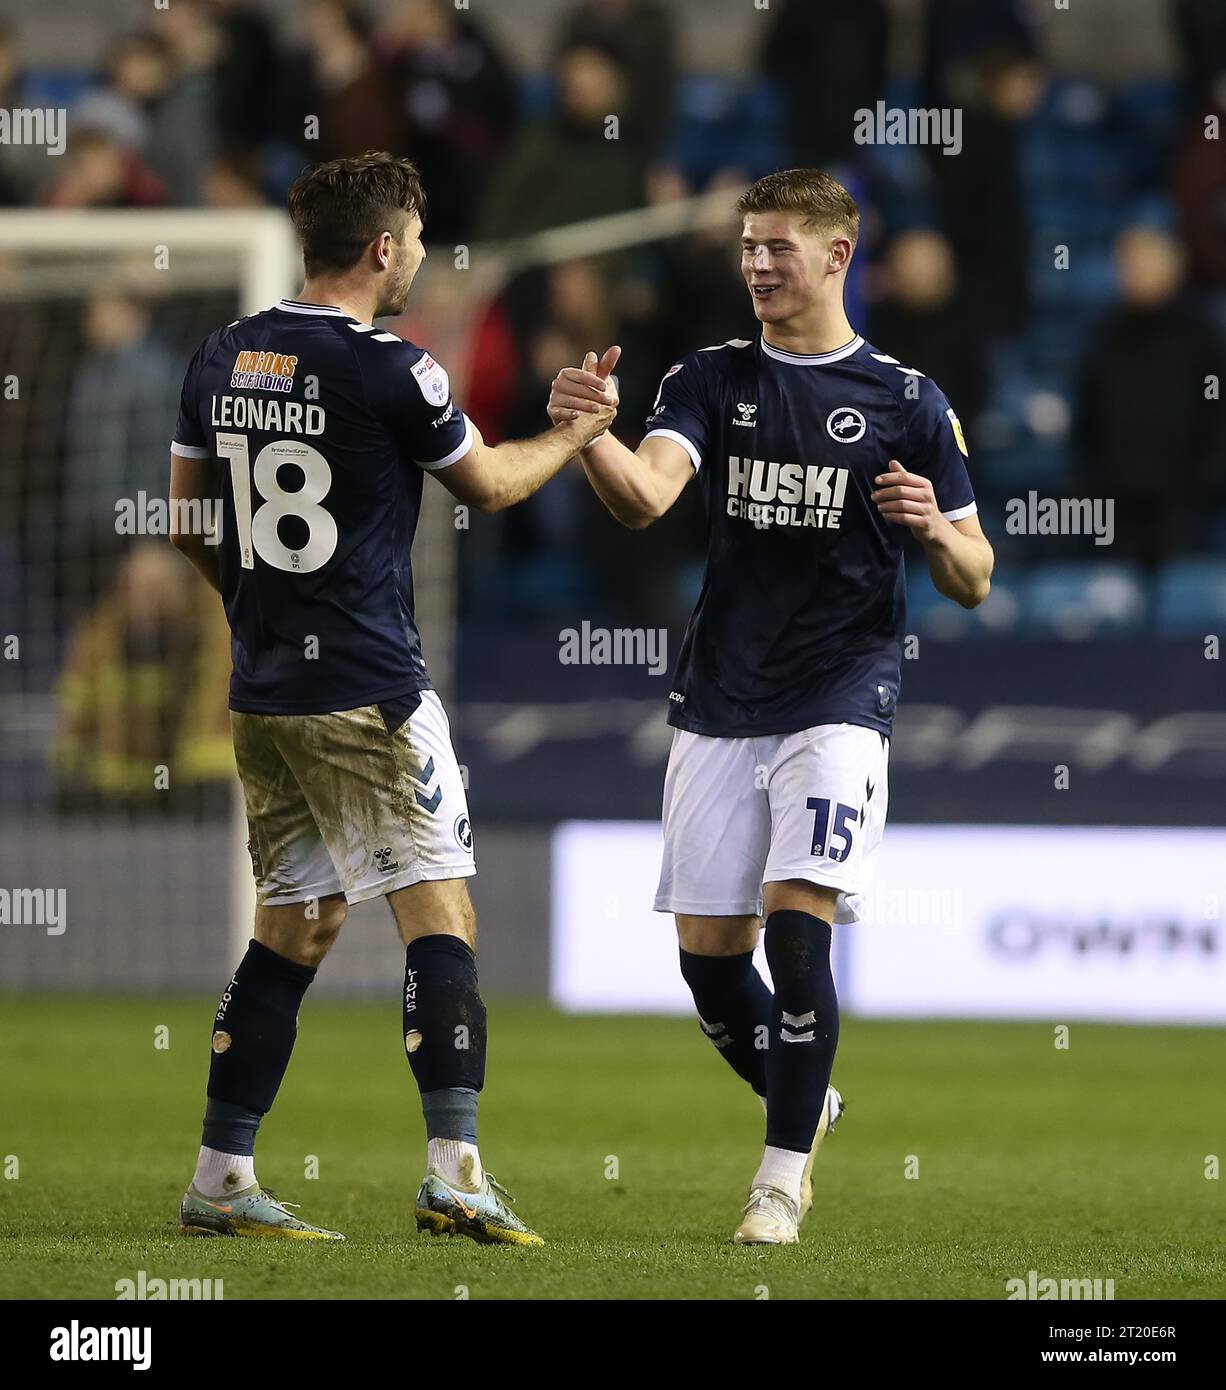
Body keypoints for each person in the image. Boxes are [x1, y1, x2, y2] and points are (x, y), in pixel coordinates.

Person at [168, 151, 612, 1246]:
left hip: (263, 688)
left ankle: (221, 1173)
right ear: (381, 247)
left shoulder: (220, 354)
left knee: (299, 921)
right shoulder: (393, 368)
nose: (420, 255)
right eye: (414, 238)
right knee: (440, 911)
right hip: (367, 686)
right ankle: (454, 1169)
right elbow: (496, 485)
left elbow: (185, 520)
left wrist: (260, 613)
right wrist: (577, 430)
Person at [548, 168, 993, 1245]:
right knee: (709, 962)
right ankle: (808, 1095)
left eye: (777, 246)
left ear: (838, 256)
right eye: (747, 245)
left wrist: (933, 529)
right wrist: (587, 433)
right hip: (719, 692)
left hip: (841, 690)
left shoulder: (906, 400)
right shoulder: (708, 376)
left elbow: (974, 573)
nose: (755, 263)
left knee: (798, 935)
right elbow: (649, 495)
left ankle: (778, 1181)